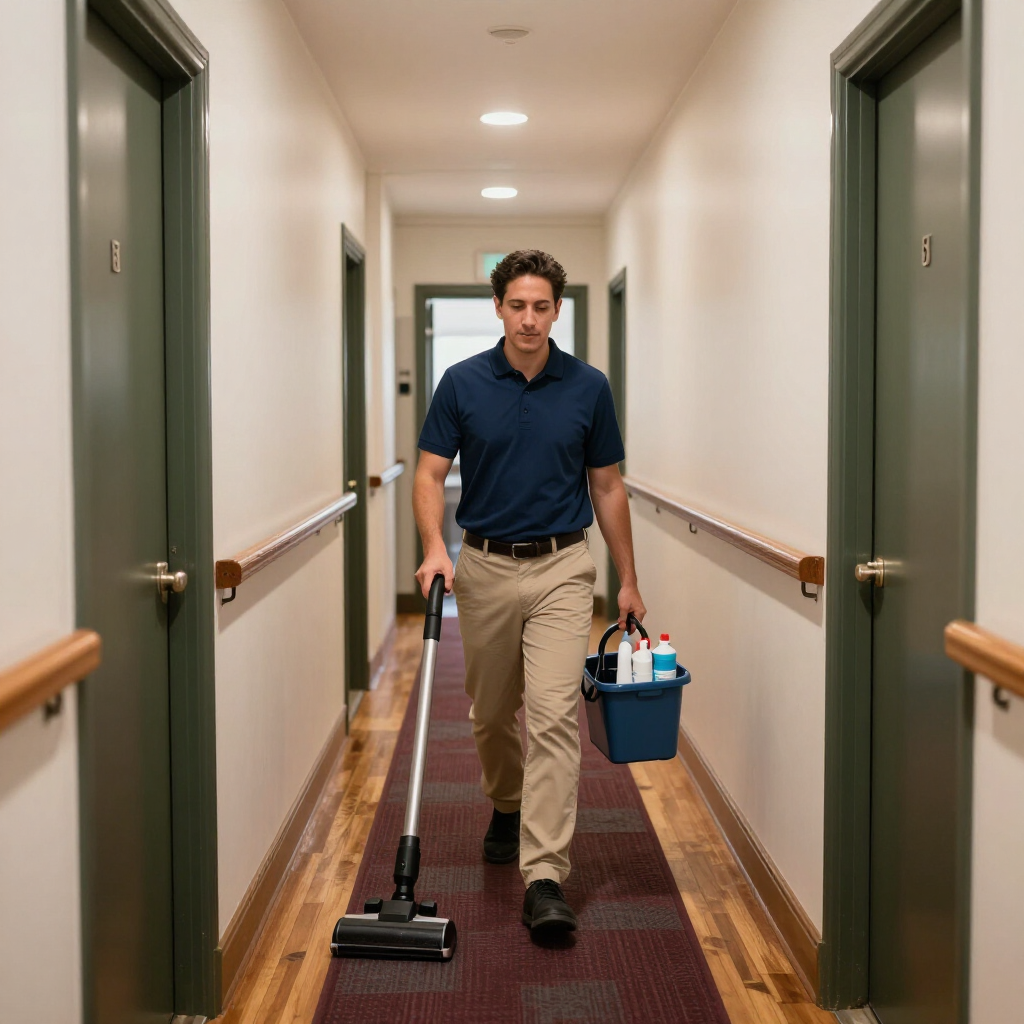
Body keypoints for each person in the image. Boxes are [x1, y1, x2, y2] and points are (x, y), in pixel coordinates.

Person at [413, 249, 646, 933]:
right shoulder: (461, 382)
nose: (529, 319)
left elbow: (607, 486)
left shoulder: (588, 387)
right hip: (483, 565)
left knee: (550, 716)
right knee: (491, 713)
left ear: (557, 311)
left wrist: (627, 578)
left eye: (542, 306)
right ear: (498, 307)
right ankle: (507, 802)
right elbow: (429, 476)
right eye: (517, 305)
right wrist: (434, 547)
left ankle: (544, 873)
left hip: (562, 568)